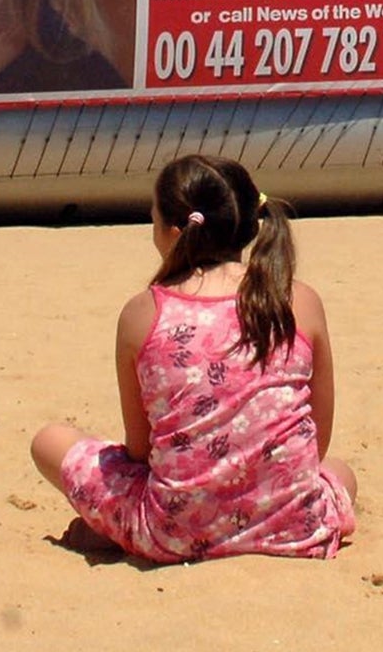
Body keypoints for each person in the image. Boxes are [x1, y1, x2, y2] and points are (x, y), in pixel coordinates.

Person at [30, 155, 357, 561]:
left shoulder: (142, 312)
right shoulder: (300, 299)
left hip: (176, 533)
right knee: (342, 474)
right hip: (294, 527)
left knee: (50, 441)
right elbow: (317, 442)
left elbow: (140, 450)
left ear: (171, 232)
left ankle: (114, 531)